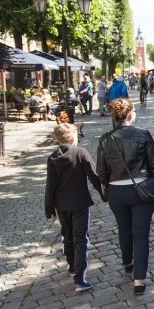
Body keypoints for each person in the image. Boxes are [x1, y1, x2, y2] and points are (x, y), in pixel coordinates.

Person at [97, 98, 154, 295]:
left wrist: (106, 193)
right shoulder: (143, 135)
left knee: (124, 229)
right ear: (129, 114)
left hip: (117, 191)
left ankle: (127, 262)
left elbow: (101, 171)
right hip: (141, 190)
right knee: (141, 235)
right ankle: (139, 280)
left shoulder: (105, 139)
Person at [45, 123, 101, 291]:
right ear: (72, 138)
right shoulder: (80, 153)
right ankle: (79, 279)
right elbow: (94, 176)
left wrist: (49, 209)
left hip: (61, 204)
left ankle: (72, 266)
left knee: (67, 234)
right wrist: (106, 194)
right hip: (80, 202)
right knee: (80, 237)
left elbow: (50, 186)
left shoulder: (52, 158)